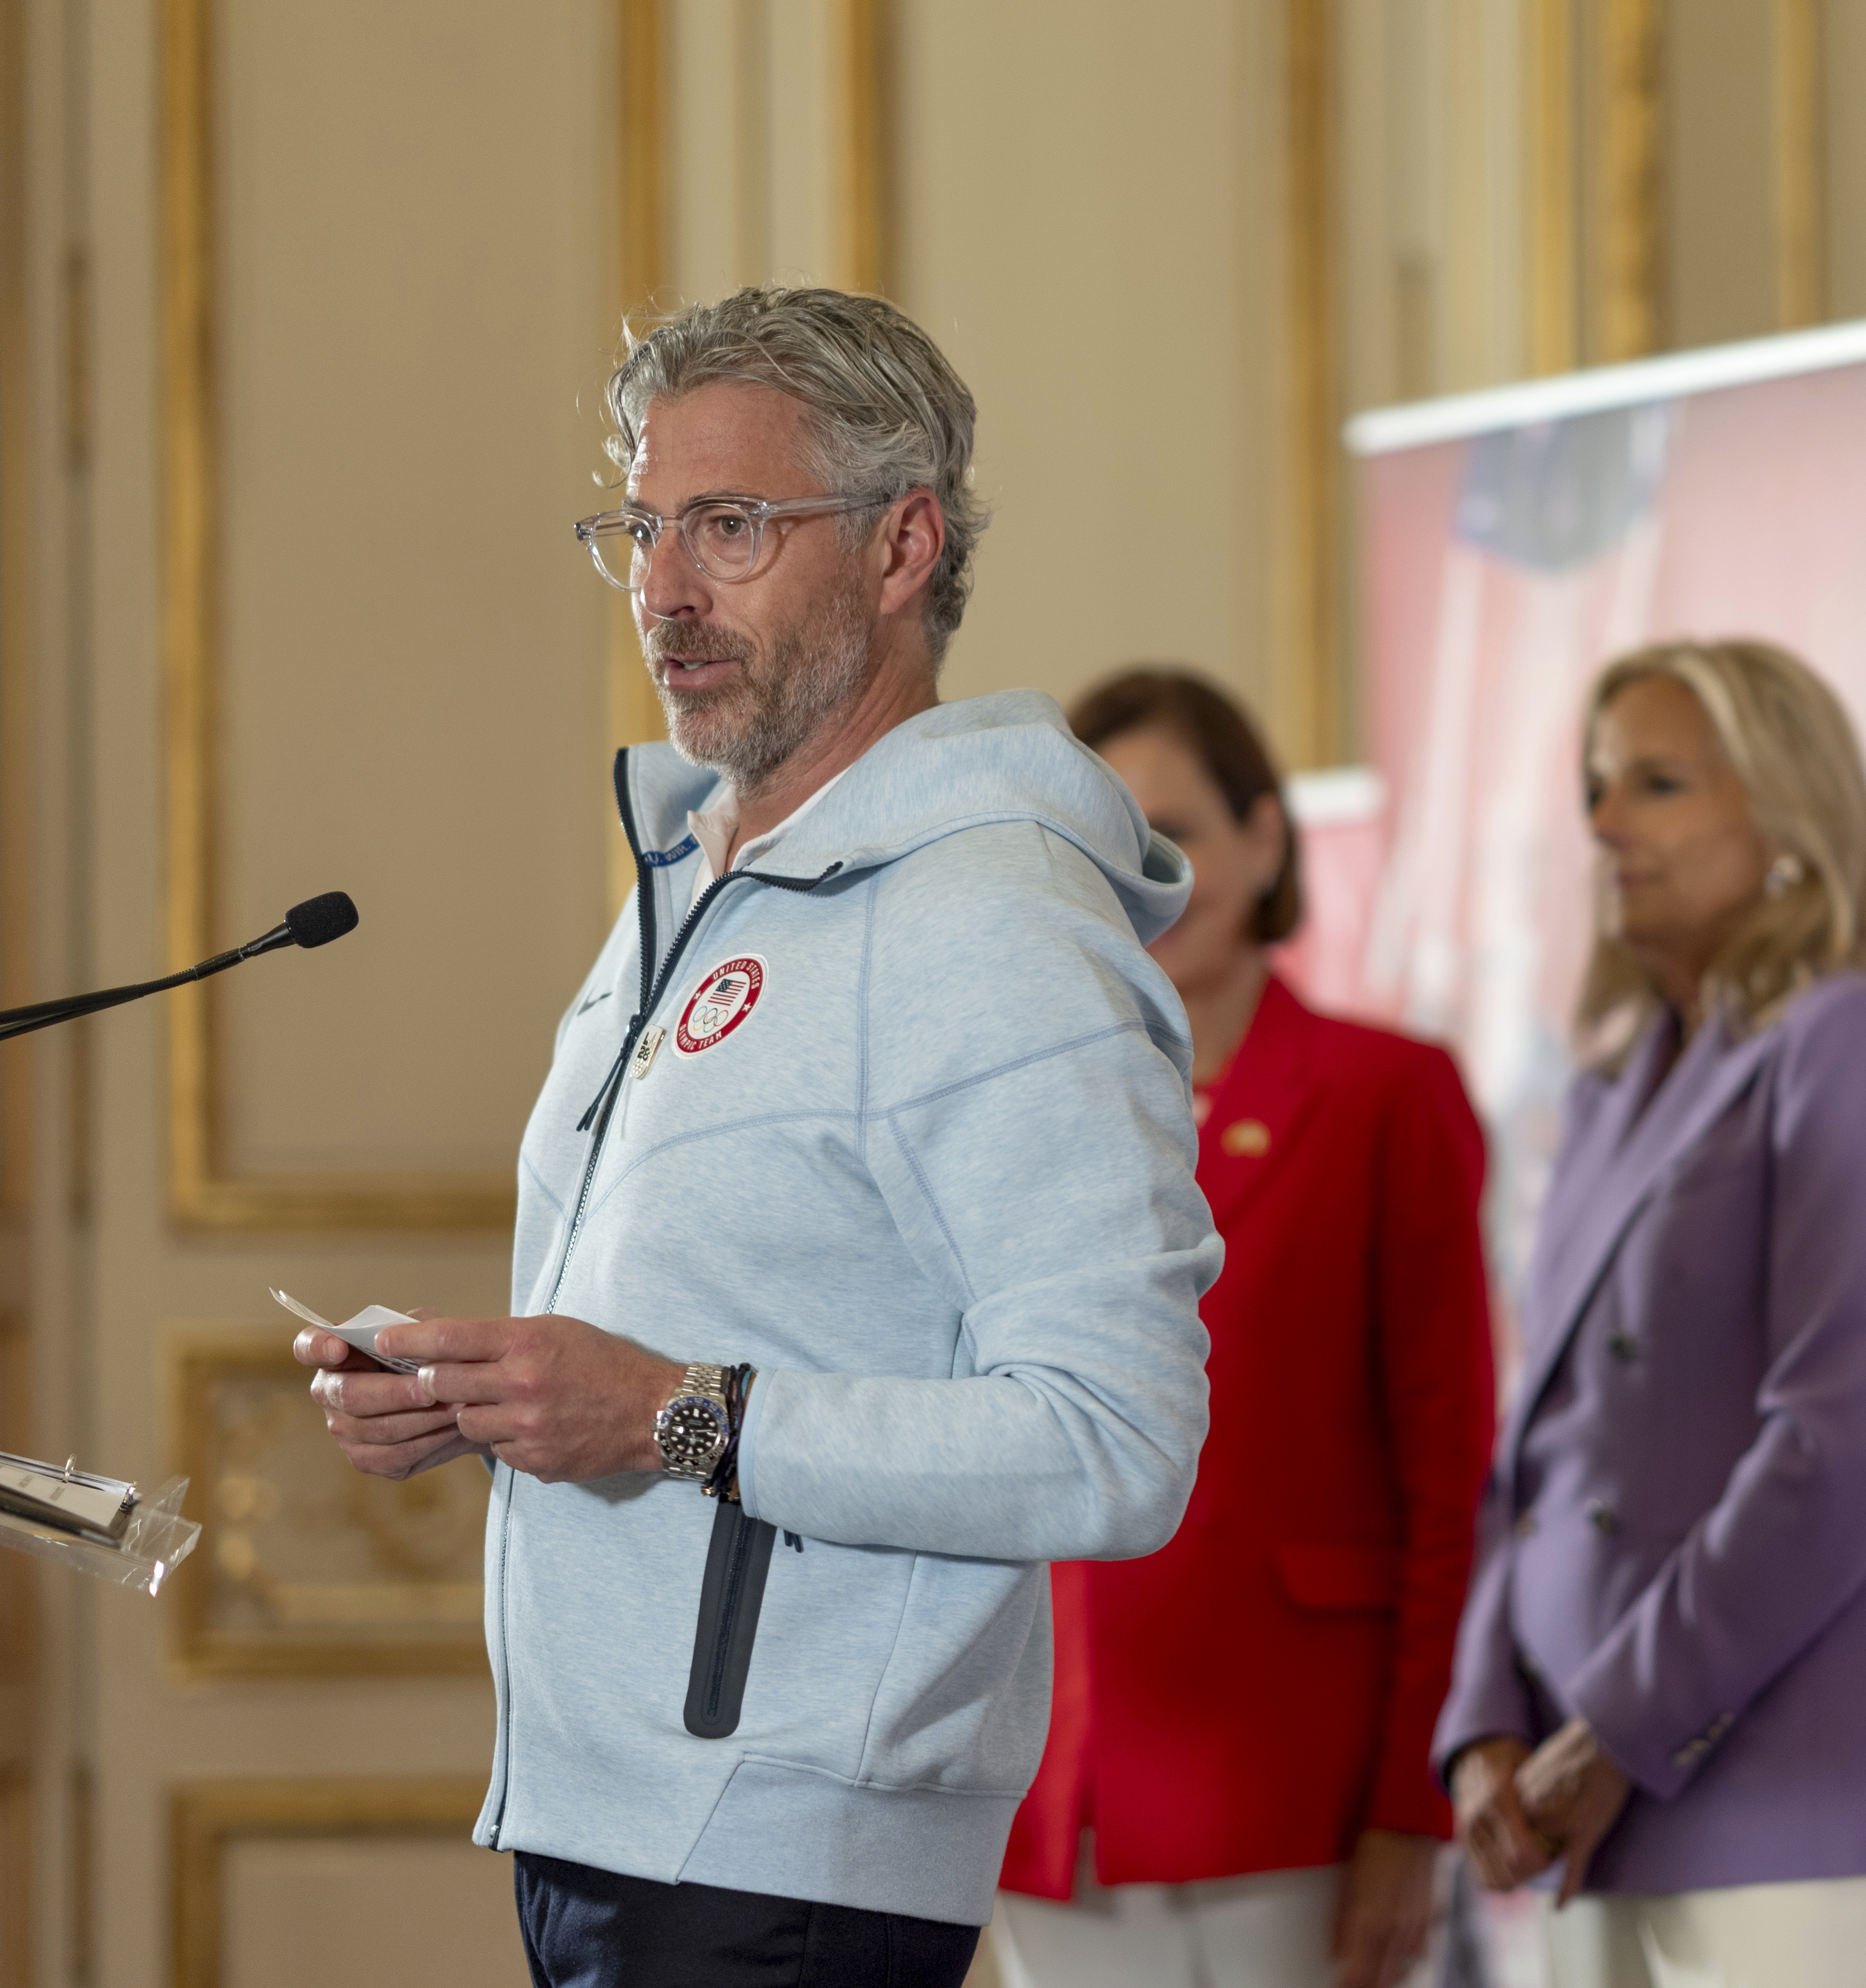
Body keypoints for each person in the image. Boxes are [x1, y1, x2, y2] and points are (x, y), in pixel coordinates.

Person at [295, 287, 1219, 1988]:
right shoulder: (693, 881)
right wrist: (488, 1394)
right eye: (640, 529)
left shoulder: (993, 918)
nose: (663, 588)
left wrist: (664, 1411)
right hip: (602, 1821)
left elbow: (1116, 1438)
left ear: (900, 545)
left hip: (788, 1872)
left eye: (730, 524)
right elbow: (727, 1328)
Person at [1435, 639, 1866, 1988]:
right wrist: (1483, 1718)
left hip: (1784, 1787)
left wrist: (1612, 1728)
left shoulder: (1854, 1043)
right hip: (1585, 1793)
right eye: (1599, 788)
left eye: (1657, 784)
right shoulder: (1617, 1085)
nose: (1604, 823)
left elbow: (1830, 1451)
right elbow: (1536, 1448)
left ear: (1788, 814)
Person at [991, 668, 1496, 1988]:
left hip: (1298, 1791)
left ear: (1267, 838)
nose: (1148, 874)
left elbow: (1452, 1483)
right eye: (1106, 840)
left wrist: (1411, 1809)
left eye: (1182, 832)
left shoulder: (1392, 1097)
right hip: (1061, 1788)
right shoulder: (1023, 1112)